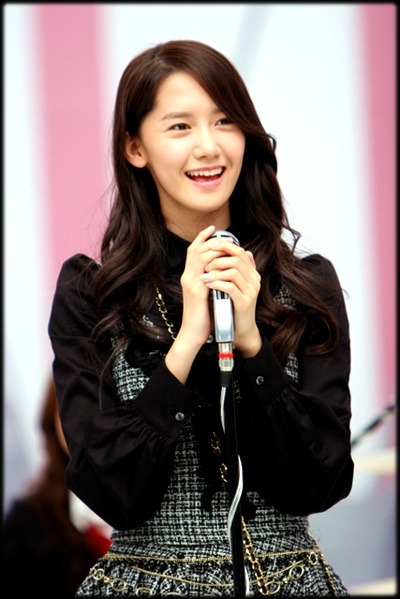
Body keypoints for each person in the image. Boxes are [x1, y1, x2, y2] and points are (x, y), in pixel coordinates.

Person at [48, 39, 354, 596]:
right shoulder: (92, 296)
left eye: (224, 121)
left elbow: (322, 481)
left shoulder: (306, 287)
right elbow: (111, 491)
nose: (208, 147)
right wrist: (187, 343)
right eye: (180, 127)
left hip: (290, 581)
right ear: (135, 148)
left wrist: (254, 348)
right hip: (145, 583)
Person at [2, 377, 112, 598]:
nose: (87, 424)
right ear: (52, 419)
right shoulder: (26, 530)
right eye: (71, 406)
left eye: (106, 407)